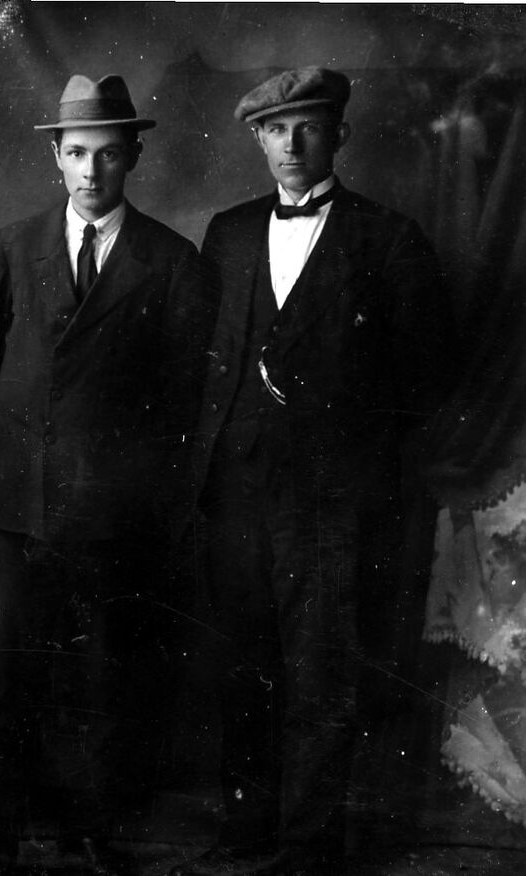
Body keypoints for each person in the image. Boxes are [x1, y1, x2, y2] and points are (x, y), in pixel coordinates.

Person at [177, 67, 454, 875]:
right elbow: (205, 360)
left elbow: (429, 377)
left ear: (339, 135)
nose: (291, 144)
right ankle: (244, 834)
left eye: (308, 127)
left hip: (334, 498)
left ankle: (307, 851)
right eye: (275, 129)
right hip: (236, 490)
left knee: (322, 672)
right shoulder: (228, 232)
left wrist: (350, 434)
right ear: (258, 140)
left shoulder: (388, 238)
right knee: (243, 665)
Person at [0, 73, 210, 874]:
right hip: (20, 508)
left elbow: (186, 400)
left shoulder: (170, 260)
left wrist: (115, 474)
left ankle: (92, 833)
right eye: (78, 153)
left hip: (112, 514)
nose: (92, 171)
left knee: (101, 681)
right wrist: (23, 454)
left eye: (109, 154)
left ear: (133, 158)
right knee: (5, 677)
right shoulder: (13, 247)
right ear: (56, 156)